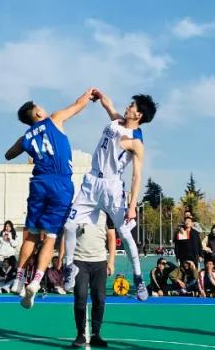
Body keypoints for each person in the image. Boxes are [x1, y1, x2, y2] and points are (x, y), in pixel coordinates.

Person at [61, 90, 157, 302]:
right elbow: (108, 104)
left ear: (139, 115)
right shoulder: (117, 120)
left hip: (112, 188)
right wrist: (97, 93)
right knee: (69, 225)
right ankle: (69, 268)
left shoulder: (136, 142)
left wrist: (132, 206)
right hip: (91, 182)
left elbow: (137, 176)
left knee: (125, 233)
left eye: (132, 106)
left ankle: (138, 278)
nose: (128, 107)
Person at [4, 89, 94, 308]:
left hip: (39, 184)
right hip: (61, 184)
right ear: (37, 113)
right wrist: (89, 95)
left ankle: (18, 279)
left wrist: (25, 140)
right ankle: (36, 280)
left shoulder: (26, 138)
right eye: (40, 107)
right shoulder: (54, 119)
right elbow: (78, 105)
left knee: (32, 235)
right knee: (51, 237)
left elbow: (8, 155)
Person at [69, 210, 117, 348]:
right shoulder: (78, 210)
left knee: (99, 298)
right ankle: (80, 334)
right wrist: (64, 258)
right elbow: (68, 233)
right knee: (80, 296)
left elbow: (111, 237)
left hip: (99, 262)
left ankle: (96, 334)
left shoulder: (106, 213)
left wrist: (111, 261)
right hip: (79, 260)